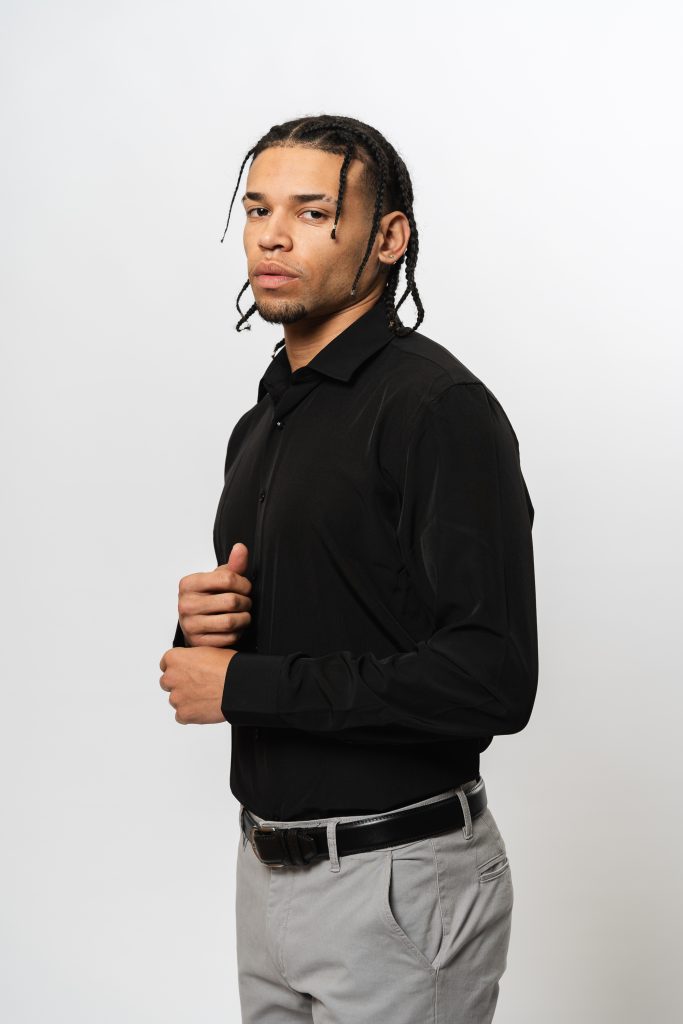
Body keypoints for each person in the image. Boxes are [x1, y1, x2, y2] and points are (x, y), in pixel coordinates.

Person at [159, 113, 538, 1024]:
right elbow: (333, 618)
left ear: (388, 238)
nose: (272, 235)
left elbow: (490, 679)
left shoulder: (437, 409)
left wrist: (242, 685)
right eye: (257, 209)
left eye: (313, 211)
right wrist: (205, 627)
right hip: (266, 875)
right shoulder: (263, 423)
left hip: (398, 884)